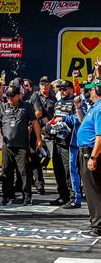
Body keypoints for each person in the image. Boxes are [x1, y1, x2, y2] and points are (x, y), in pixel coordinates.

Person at [0, 85, 43, 206]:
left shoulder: (27, 106)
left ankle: (27, 196)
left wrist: (39, 139)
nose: (10, 98)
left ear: (19, 95)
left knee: (24, 172)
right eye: (8, 96)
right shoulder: (2, 107)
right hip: (7, 146)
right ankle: (7, 195)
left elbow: (35, 123)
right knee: (6, 171)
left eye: (12, 96)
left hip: (22, 146)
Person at [76, 79, 101, 236]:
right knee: (93, 190)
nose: (89, 92)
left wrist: (93, 157)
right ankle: (95, 222)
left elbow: (100, 136)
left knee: (94, 191)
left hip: (91, 152)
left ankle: (97, 226)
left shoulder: (99, 109)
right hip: (87, 151)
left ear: (97, 91)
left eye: (91, 90)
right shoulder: (95, 107)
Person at [50, 80, 76, 206]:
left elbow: (79, 118)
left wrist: (64, 118)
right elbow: (55, 118)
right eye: (60, 89)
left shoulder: (76, 102)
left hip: (69, 141)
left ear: (71, 89)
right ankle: (63, 196)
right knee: (58, 170)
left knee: (69, 171)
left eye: (65, 89)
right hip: (57, 140)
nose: (62, 91)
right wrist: (49, 126)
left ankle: (73, 197)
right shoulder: (58, 103)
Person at [29, 76, 57, 195]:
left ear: (49, 85)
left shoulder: (53, 98)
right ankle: (38, 182)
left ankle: (36, 179)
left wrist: (51, 124)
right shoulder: (34, 96)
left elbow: (56, 114)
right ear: (39, 85)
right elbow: (31, 112)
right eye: (42, 84)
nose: (44, 86)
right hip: (35, 130)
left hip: (48, 131)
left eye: (46, 84)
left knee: (51, 154)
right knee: (34, 156)